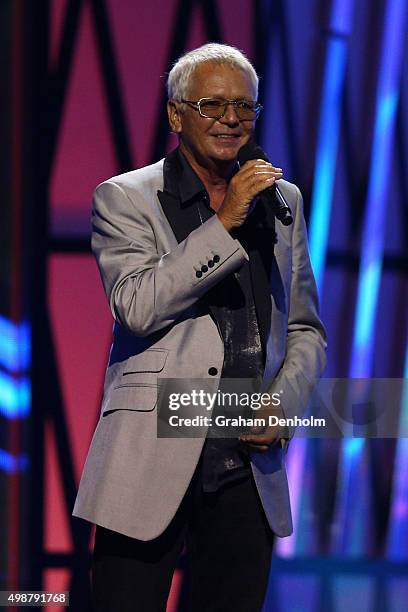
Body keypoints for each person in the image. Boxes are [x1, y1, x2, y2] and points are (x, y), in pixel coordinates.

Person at [73, 43, 327, 611]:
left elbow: (307, 329)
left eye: (245, 107)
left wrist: (282, 405)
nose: (232, 120)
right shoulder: (125, 198)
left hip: (245, 468)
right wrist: (224, 222)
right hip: (149, 455)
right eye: (212, 106)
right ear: (175, 115)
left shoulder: (282, 201)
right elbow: (136, 305)